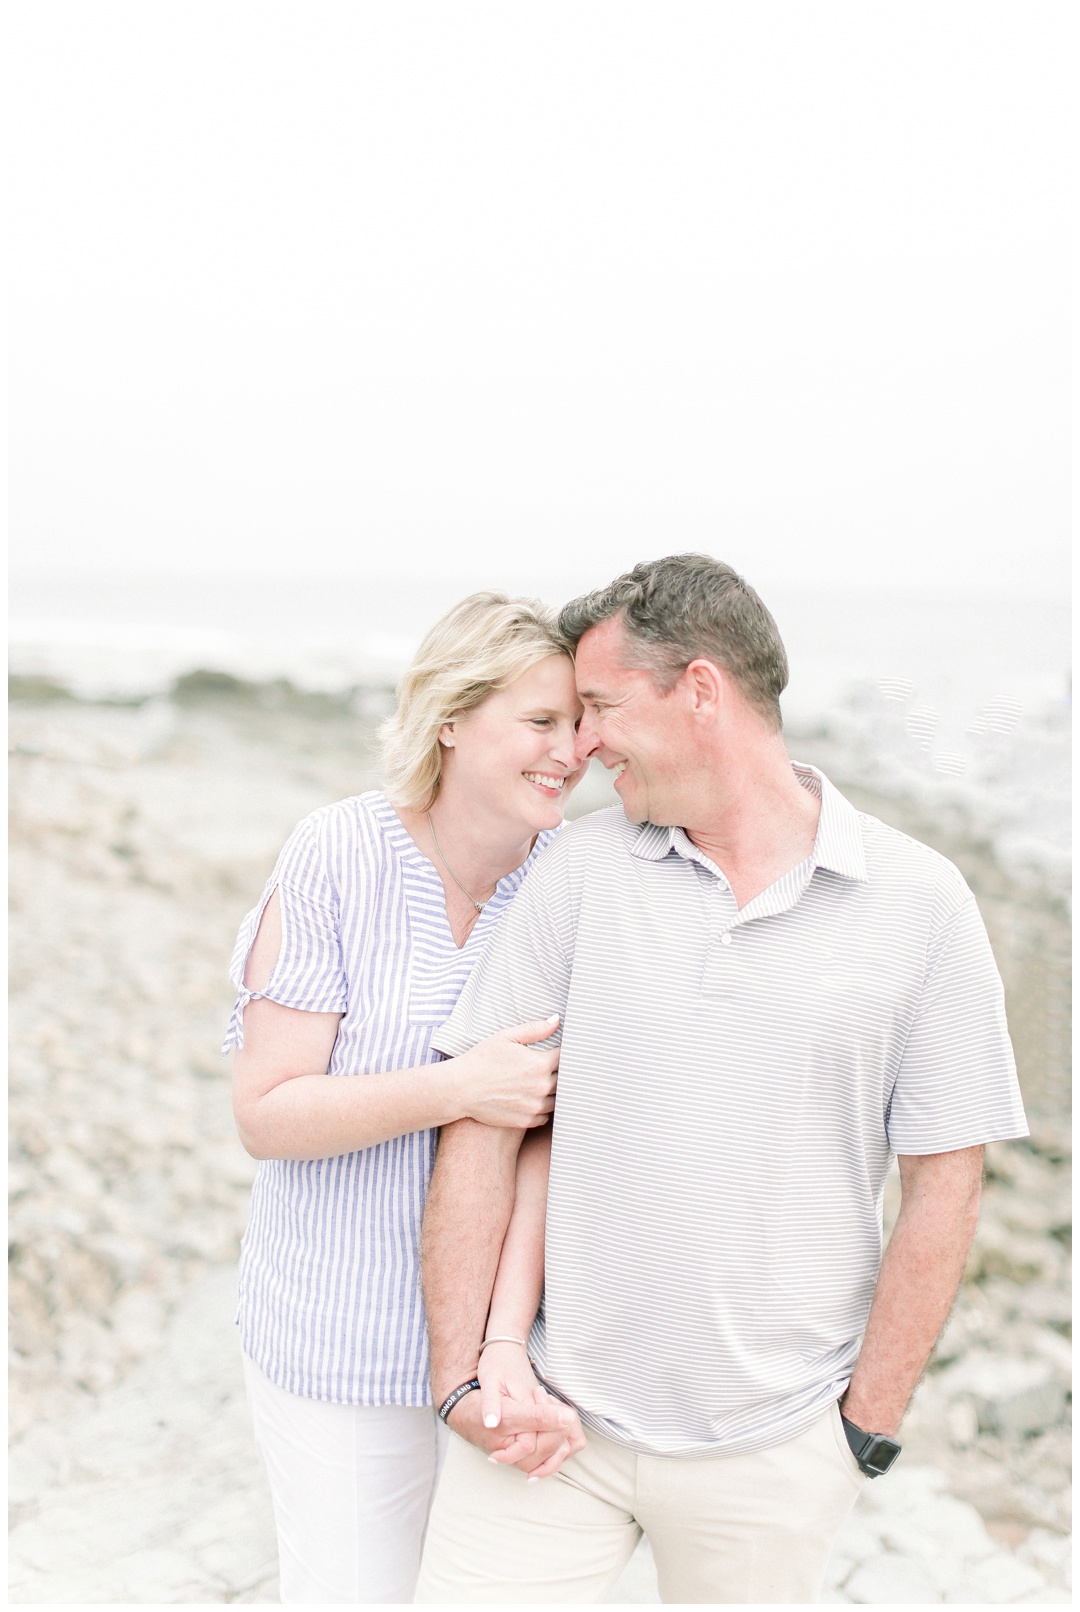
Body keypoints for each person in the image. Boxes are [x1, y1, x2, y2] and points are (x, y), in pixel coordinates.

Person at [415, 554, 1028, 1605]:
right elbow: (484, 1123)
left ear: (701, 691)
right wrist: (463, 1378)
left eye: (601, 704)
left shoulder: (922, 903)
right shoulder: (576, 873)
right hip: (547, 1418)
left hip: (776, 1447)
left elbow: (945, 1179)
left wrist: (864, 1427)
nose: (584, 742)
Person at [222, 591, 587, 1604]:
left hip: (505, 1353)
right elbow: (268, 1112)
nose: (571, 750)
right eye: (540, 721)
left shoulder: (568, 881)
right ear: (451, 719)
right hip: (336, 1343)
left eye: (579, 724)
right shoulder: (338, 854)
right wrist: (457, 1085)